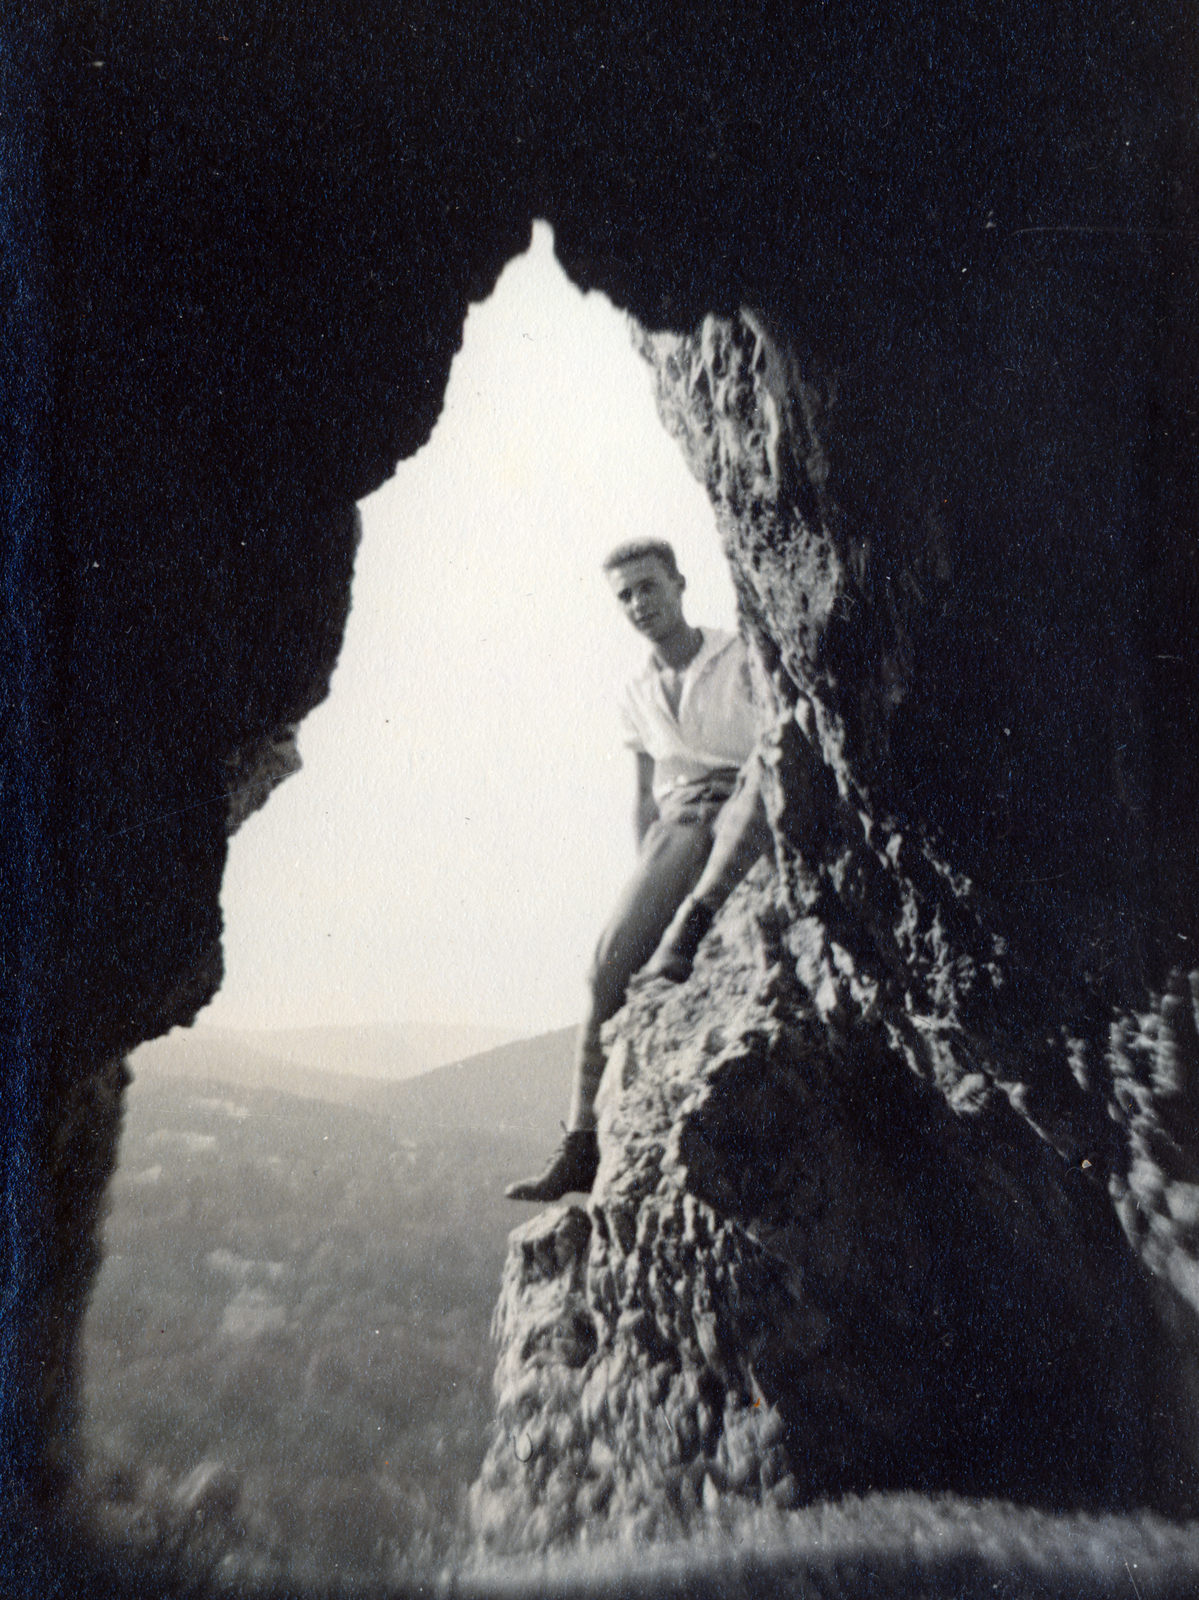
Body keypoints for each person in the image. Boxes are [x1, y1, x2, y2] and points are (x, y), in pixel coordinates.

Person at [505, 540, 771, 1203]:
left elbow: (776, 739)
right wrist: (646, 878)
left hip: (749, 794)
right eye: (624, 595)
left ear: (679, 585)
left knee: (757, 780)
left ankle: (695, 920)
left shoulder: (737, 652)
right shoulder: (634, 689)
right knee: (604, 966)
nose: (637, 604)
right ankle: (579, 1144)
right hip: (681, 818)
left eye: (647, 587)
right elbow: (644, 794)